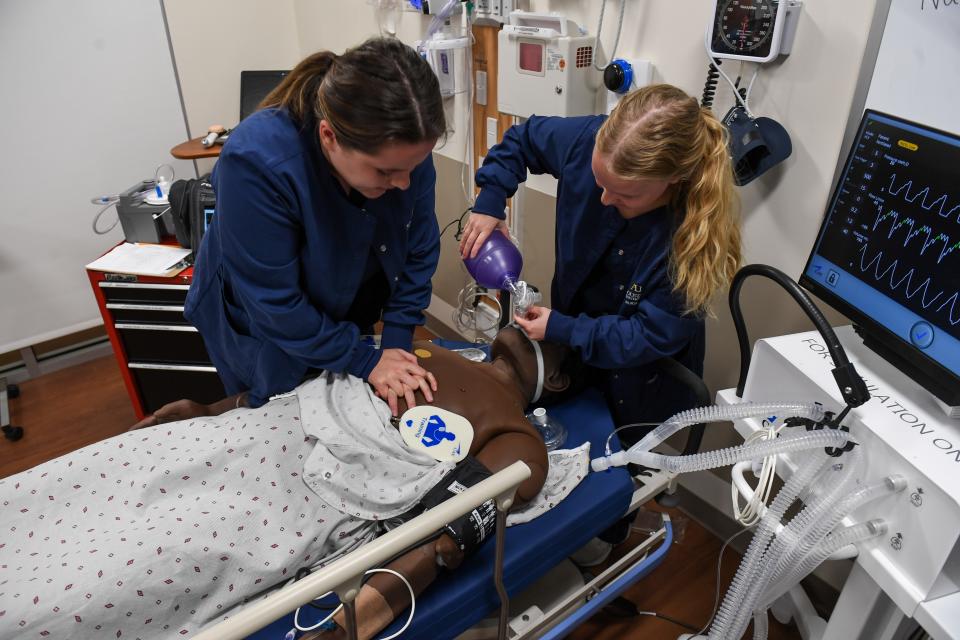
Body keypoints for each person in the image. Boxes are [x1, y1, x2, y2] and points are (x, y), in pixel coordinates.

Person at [1, 329, 575, 639]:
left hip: (294, 500)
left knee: (109, 575)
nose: (528, 318)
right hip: (252, 431)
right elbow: (304, 380)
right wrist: (206, 410)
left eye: (546, 325)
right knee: (83, 480)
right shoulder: (420, 337)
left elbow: (449, 530)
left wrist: (362, 613)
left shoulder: (517, 438)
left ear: (562, 376)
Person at [460, 83, 742, 440]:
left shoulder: (691, 240)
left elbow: (646, 335)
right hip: (573, 353)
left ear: (674, 179)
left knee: (610, 463)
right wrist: (491, 199)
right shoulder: (584, 140)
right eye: (598, 182)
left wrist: (563, 328)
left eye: (625, 195)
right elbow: (522, 139)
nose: (605, 199)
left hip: (637, 381)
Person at [185, 37, 446, 417]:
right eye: (386, 172)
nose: (405, 184)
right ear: (329, 137)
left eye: (414, 167)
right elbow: (275, 303)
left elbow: (418, 252)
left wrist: (395, 344)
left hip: (340, 297)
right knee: (278, 418)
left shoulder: (405, 156)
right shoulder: (257, 163)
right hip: (263, 322)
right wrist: (363, 360)